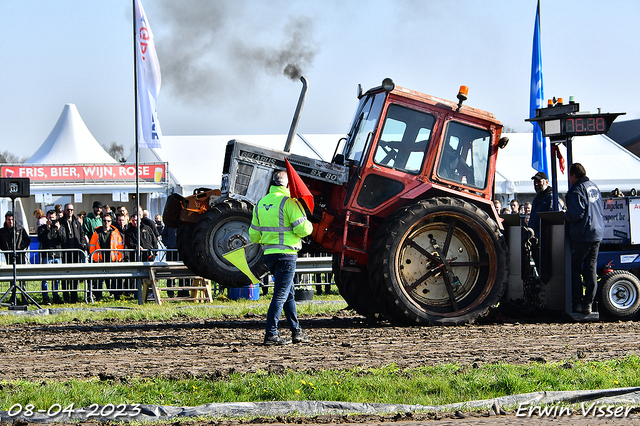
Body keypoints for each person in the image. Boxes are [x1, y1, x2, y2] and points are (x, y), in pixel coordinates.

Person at [249, 170, 314, 346]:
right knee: (281, 295)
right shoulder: (289, 202)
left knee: (288, 293)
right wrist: (310, 225)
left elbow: (254, 236)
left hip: (269, 255)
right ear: (287, 185)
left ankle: (296, 331)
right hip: (287, 256)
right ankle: (271, 334)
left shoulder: (260, 203)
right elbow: (302, 230)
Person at [565, 163, 604, 315]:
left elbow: (576, 213)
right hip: (597, 233)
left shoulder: (577, 189)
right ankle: (589, 303)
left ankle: (577, 303)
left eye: (569, 175)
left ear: (574, 175)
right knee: (590, 269)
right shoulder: (593, 186)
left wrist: (565, 215)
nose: (569, 178)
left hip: (582, 234)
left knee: (574, 267)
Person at [89, 214, 124, 301]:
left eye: (108, 221)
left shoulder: (115, 232)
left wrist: (118, 258)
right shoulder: (97, 232)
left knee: (114, 279)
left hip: (112, 259)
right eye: (104, 221)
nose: (106, 223)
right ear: (102, 221)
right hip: (100, 260)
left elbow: (120, 247)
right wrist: (96, 259)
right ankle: (98, 297)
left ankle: (116, 296)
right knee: (99, 280)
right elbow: (92, 247)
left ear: (111, 222)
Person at [58, 203, 87, 303]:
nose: (70, 212)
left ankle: (74, 296)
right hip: (65, 252)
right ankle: (66, 297)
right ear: (64, 211)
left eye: (71, 210)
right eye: (68, 210)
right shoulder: (60, 222)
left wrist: (82, 244)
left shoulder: (76, 221)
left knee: (75, 275)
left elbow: (82, 234)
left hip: (75, 251)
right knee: (65, 276)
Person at [37, 210, 63, 304]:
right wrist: (47, 229)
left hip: (57, 255)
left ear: (56, 218)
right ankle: (45, 297)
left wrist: (58, 230)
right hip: (47, 255)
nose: (51, 220)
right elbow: (41, 239)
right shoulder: (42, 228)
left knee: (57, 278)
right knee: (46, 277)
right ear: (47, 218)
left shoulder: (60, 227)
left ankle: (56, 295)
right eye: (50, 218)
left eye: (53, 218)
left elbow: (63, 240)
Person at [529, 171, 554, 236]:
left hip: (545, 236)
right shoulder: (536, 199)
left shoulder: (551, 198)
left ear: (546, 182)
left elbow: (552, 219)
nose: (536, 184)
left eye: (539, 182)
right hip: (534, 235)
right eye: (535, 182)